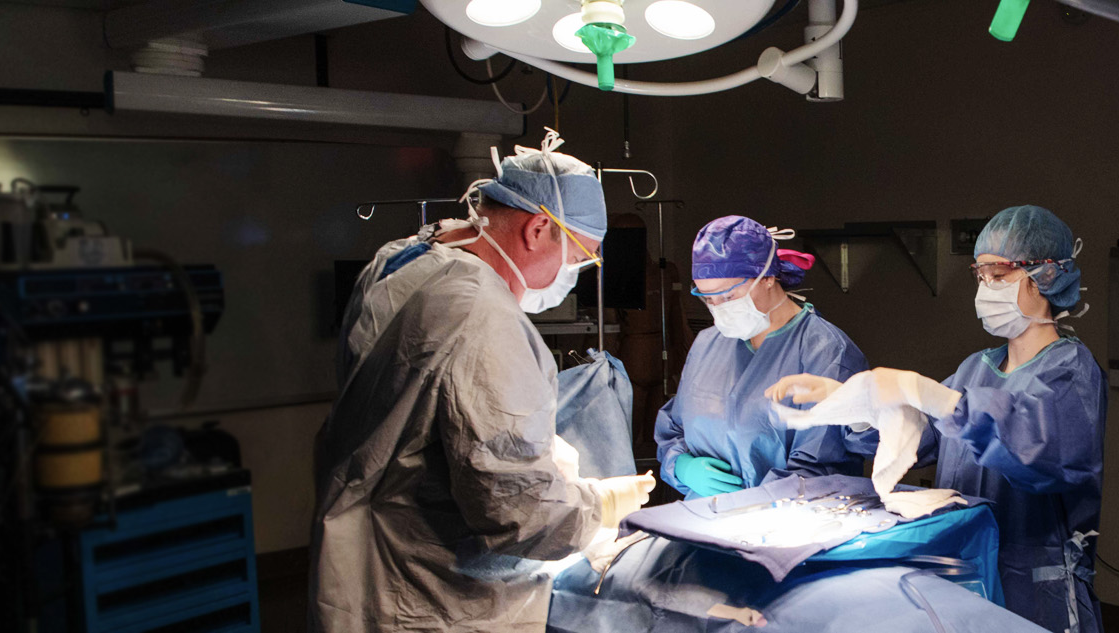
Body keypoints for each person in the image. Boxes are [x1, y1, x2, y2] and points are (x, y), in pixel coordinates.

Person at [312, 133, 656, 633]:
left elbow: (429, 412)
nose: (576, 274)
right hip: (429, 594)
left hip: (361, 549)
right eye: (582, 256)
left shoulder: (404, 258)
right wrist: (595, 506)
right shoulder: (482, 315)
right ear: (539, 228)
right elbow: (520, 512)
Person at [768, 205, 1106, 633]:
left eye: (999, 275)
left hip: (1035, 591)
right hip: (966, 566)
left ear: (1046, 276)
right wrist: (853, 402)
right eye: (980, 276)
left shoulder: (1071, 370)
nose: (986, 287)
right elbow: (920, 437)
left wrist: (927, 392)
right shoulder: (975, 368)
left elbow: (1039, 449)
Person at [653, 216, 870, 498]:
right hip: (705, 519)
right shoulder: (707, 343)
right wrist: (680, 465)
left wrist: (754, 503)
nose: (718, 309)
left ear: (768, 277)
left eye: (728, 297)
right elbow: (674, 427)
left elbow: (823, 468)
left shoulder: (826, 352)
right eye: (708, 299)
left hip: (788, 526)